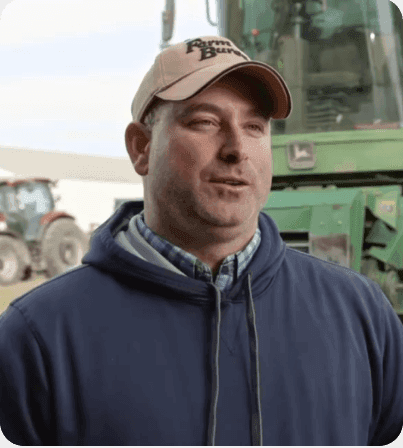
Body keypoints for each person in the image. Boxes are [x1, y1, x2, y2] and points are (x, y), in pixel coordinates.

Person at [0, 35, 402, 447]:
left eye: (254, 126)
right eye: (205, 122)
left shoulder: (360, 313)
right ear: (141, 148)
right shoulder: (39, 337)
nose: (236, 149)